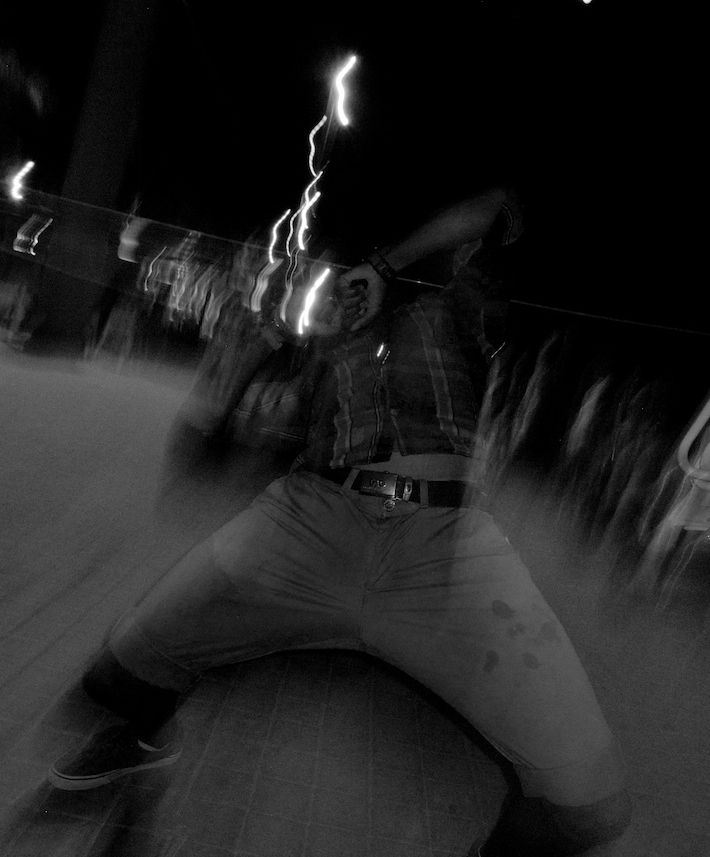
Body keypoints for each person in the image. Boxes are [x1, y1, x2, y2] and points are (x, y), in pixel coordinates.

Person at [49, 186, 631, 857]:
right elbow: (249, 439)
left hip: (439, 546)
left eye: (355, 281)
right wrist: (256, 372)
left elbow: (498, 208)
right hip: (309, 521)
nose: (347, 295)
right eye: (340, 283)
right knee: (118, 675)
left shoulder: (457, 314)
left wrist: (384, 265)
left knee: (586, 807)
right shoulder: (328, 347)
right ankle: (135, 753)